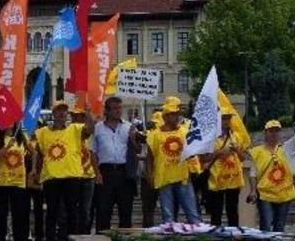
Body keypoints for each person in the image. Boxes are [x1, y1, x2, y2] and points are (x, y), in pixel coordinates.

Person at [33, 100, 94, 241]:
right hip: (51, 177)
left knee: (72, 210)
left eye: (64, 111)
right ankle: (50, 240)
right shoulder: (43, 133)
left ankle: (71, 240)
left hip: (71, 176)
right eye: (58, 111)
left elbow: (90, 130)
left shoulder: (75, 128)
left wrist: (88, 114)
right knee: (52, 211)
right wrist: (35, 171)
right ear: (53, 113)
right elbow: (39, 154)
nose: (61, 114)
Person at [146, 97, 201, 225]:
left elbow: (192, 154)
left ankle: (199, 240)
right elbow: (150, 158)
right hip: (164, 179)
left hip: (183, 178)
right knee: (168, 217)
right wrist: (149, 176)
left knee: (193, 215)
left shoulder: (185, 132)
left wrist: (195, 169)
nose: (176, 117)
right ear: (165, 116)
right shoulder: (154, 135)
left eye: (177, 114)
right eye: (172, 114)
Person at [92, 97, 137, 231]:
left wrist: (133, 139)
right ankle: (102, 237)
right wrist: (97, 173)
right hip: (106, 171)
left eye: (120, 108)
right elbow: (93, 152)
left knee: (125, 208)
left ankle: (125, 240)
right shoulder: (98, 128)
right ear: (107, 110)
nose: (118, 111)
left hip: (124, 172)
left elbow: (138, 150)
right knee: (103, 208)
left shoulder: (129, 127)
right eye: (115, 108)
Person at [248, 120, 295, 232]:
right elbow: (253, 173)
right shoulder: (257, 151)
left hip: (284, 194)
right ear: (265, 132)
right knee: (265, 224)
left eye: (276, 131)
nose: (274, 133)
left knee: (279, 226)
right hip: (265, 194)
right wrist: (252, 191)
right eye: (271, 131)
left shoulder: (286, 149)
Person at [0, 124, 28, 241]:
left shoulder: (22, 136)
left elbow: (34, 151)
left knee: (19, 214)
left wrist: (32, 170)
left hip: (19, 182)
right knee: (1, 214)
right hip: (2, 182)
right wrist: (7, 147)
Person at [202, 108, 245, 227]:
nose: (226, 121)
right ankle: (216, 236)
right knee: (216, 212)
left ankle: (234, 237)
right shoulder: (210, 138)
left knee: (233, 211)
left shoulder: (235, 136)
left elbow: (242, 158)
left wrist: (237, 150)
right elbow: (203, 158)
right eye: (224, 118)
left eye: (228, 118)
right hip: (217, 179)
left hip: (233, 179)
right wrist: (219, 152)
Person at [71, 104, 98, 234]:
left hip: (89, 177)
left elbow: (90, 129)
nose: (77, 118)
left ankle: (85, 233)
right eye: (74, 115)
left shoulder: (91, 133)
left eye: (80, 115)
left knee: (86, 209)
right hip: (74, 176)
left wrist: (89, 114)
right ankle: (72, 234)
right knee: (72, 208)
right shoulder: (69, 131)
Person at [25, 130, 44, 241]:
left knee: (39, 211)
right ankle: (25, 235)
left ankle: (39, 237)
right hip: (23, 180)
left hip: (37, 180)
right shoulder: (22, 140)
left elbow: (41, 157)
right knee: (23, 210)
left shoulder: (40, 142)